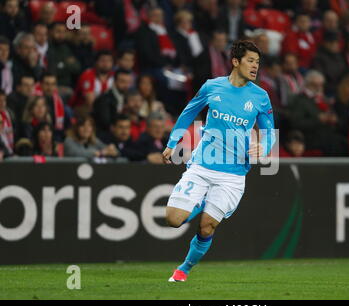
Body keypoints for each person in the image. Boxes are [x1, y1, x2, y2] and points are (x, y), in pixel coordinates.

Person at [161, 40, 275, 282]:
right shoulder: (212, 87)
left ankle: (183, 269)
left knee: (206, 227)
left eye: (258, 62)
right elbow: (189, 112)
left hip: (232, 176)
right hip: (202, 166)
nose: (255, 66)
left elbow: (269, 132)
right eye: (250, 61)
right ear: (236, 61)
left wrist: (262, 148)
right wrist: (173, 143)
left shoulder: (260, 97)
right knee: (173, 219)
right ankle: (201, 202)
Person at [92, 69, 133, 136]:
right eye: (122, 82)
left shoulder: (125, 97)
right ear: (114, 81)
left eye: (128, 82)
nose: (126, 85)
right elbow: (105, 123)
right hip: (104, 135)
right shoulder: (105, 99)